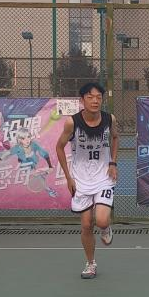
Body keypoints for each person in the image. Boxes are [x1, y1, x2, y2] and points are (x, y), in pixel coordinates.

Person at [55, 81, 118, 279]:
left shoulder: (109, 119)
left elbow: (115, 138)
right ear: (82, 100)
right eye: (90, 97)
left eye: (98, 97)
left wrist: (113, 162)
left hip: (103, 177)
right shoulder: (72, 123)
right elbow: (59, 147)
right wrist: (68, 177)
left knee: (101, 220)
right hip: (80, 179)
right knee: (86, 225)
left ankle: (105, 227)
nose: (95, 101)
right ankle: (91, 264)